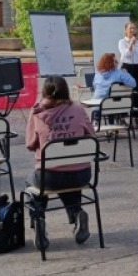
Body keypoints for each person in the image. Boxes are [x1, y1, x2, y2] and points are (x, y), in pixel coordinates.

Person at [25, 76, 96, 250]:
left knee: (33, 183)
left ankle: (38, 220)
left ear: (45, 92)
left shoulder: (37, 114)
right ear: (66, 90)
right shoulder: (78, 110)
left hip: (49, 176)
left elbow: (30, 144)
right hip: (81, 175)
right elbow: (92, 137)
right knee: (69, 175)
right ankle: (77, 214)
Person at [118, 21, 138, 129]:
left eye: (134, 28)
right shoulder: (122, 42)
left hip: (137, 68)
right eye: (130, 28)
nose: (133, 30)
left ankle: (136, 118)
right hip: (127, 68)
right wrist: (131, 43)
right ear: (126, 30)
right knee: (125, 93)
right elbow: (125, 55)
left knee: (137, 92)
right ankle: (122, 117)